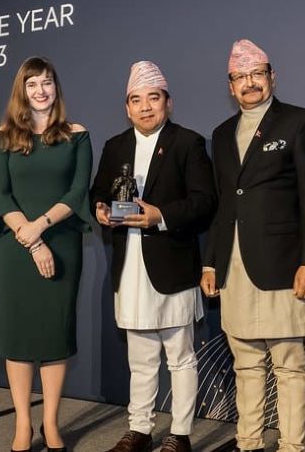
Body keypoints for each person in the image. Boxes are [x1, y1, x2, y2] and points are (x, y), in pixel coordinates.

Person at [201, 39, 305, 452]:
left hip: (283, 266)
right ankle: (249, 443)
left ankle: (292, 447)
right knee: (246, 364)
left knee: (289, 366)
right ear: (230, 85)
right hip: (235, 267)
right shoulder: (221, 134)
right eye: (241, 77)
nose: (250, 83)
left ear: (272, 77)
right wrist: (210, 263)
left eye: (257, 74)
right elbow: (224, 203)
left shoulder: (299, 122)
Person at [91, 61, 216, 452]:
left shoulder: (188, 143)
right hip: (130, 267)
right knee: (140, 358)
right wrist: (100, 209)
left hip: (173, 266)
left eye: (153, 98)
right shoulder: (115, 146)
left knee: (180, 356)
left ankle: (180, 434)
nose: (145, 107)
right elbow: (98, 192)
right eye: (136, 100)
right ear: (127, 108)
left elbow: (204, 202)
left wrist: (160, 216)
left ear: (168, 103)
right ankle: (140, 430)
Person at [0, 56, 93, 452]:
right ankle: (23, 424)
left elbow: (77, 193)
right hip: (16, 247)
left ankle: (51, 422)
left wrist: (41, 227)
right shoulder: (4, 136)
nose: (40, 90)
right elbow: (0, 195)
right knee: (18, 335)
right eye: (32, 84)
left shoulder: (77, 135)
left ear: (56, 87)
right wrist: (31, 239)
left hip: (62, 244)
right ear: (22, 91)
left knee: (54, 335)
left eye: (46, 82)